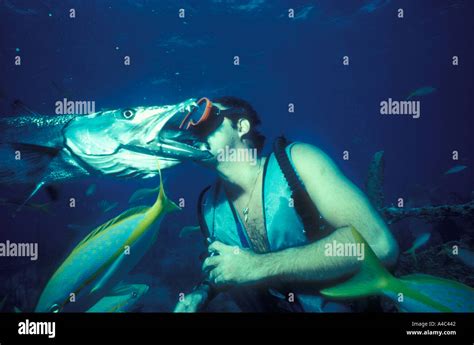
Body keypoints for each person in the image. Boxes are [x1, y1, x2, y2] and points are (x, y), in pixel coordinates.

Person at [173, 96, 399, 312]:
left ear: (242, 126)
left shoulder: (298, 162)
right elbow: (231, 267)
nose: (196, 130)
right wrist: (203, 292)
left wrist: (258, 267)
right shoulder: (208, 207)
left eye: (207, 118)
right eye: (191, 127)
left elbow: (379, 244)